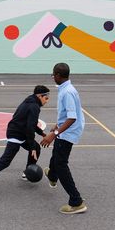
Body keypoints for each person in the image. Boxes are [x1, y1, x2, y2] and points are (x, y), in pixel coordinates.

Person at [0, 85, 50, 200]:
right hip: (16, 133)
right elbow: (29, 128)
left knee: (37, 148)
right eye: (46, 98)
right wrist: (31, 146)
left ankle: (27, 172)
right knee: (5, 161)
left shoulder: (30, 100)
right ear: (39, 96)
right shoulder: (34, 106)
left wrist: (41, 133)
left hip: (19, 131)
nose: (47, 101)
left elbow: (30, 123)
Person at [40, 62, 87, 214]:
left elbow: (72, 117)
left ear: (59, 76)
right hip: (66, 130)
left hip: (68, 132)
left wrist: (54, 134)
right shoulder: (66, 88)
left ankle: (76, 201)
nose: (53, 77)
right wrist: (56, 125)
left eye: (53, 75)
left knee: (61, 164)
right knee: (57, 155)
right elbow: (67, 114)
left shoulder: (67, 92)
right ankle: (52, 176)